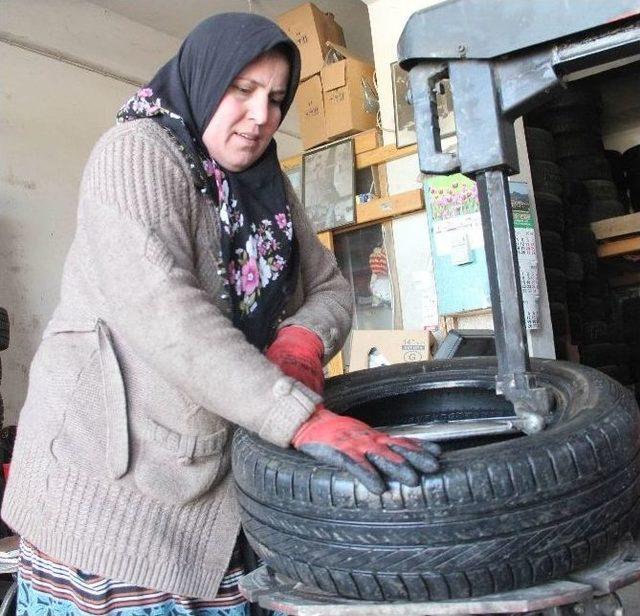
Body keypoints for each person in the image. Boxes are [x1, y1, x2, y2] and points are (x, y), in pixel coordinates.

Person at [1, 13, 441, 615]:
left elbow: (333, 289)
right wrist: (298, 416)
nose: (261, 116)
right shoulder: (134, 156)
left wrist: (301, 343)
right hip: (111, 489)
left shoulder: (269, 191)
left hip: (222, 491)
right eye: (243, 90)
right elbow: (162, 309)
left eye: (277, 99)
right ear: (205, 80)